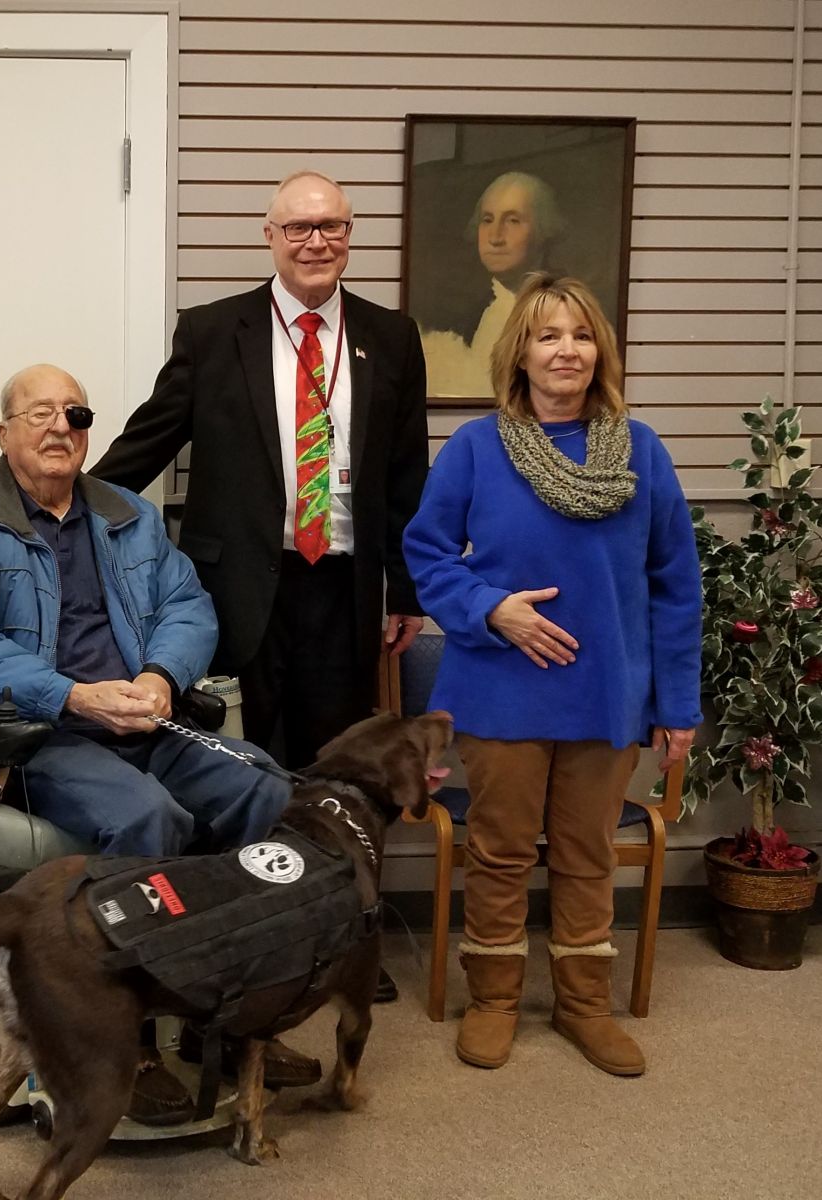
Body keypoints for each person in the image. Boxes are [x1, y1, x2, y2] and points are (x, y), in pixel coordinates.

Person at [0, 362, 318, 1126]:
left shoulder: (130, 514)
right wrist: (72, 693)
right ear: (3, 432)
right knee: (148, 818)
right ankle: (134, 1034)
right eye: (39, 413)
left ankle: (227, 1016)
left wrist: (161, 677)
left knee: (267, 791)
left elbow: (189, 607)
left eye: (76, 413)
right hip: (37, 737)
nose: (61, 426)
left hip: (145, 720)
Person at [91, 169, 428, 1003]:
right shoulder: (214, 332)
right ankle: (251, 938)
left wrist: (407, 590)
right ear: (269, 236)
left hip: (347, 590)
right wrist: (59, 505)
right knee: (247, 770)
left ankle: (344, 939)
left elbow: (405, 473)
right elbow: (148, 441)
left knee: (340, 775)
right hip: (238, 591)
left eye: (333, 227)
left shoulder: (390, 336)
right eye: (299, 228)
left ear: (351, 234)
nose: (317, 242)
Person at [402, 275, 701, 1077]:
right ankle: (495, 999)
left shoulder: (640, 450)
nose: (565, 349)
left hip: (607, 691)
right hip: (501, 686)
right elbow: (427, 555)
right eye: (546, 335)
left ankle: (582, 1006)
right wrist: (492, 608)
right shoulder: (474, 448)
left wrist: (677, 702)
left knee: (586, 852)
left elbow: (677, 585)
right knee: (498, 851)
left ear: (598, 348)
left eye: (579, 334)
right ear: (520, 353)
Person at [421, 171, 565, 397]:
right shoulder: (466, 315)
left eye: (513, 220)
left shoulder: (563, 312)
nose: (495, 236)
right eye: (487, 220)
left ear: (542, 229)